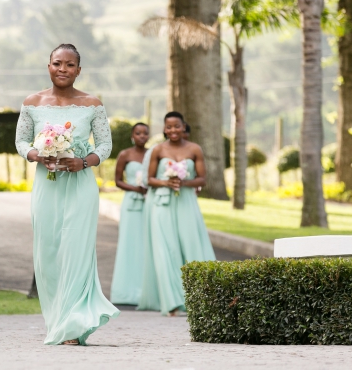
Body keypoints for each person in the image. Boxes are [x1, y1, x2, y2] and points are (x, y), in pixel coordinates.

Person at [15, 43, 119, 345]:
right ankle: (57, 322)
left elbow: (105, 146)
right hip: (47, 185)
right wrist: (36, 154)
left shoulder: (93, 104)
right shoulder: (32, 102)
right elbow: (21, 141)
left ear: (79, 70)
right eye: (58, 63)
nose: (63, 69)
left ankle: (73, 326)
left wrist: (83, 162)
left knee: (77, 251)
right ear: (48, 66)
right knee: (47, 253)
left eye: (70, 65)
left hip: (80, 186)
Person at [137, 111, 215, 316]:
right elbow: (149, 179)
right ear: (164, 129)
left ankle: (199, 299)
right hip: (162, 203)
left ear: (183, 127)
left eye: (177, 126)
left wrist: (184, 182)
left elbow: (202, 179)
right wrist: (166, 182)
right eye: (169, 127)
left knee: (191, 245)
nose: (173, 130)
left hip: (186, 201)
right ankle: (171, 302)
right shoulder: (157, 150)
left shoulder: (194, 149)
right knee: (166, 249)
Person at [110, 123, 149, 305]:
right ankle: (125, 292)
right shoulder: (125, 154)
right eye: (138, 133)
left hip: (149, 202)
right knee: (129, 242)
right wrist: (135, 188)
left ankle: (146, 291)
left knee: (146, 244)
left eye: (145, 133)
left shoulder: (153, 154)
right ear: (132, 135)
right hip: (131, 202)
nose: (142, 136)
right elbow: (117, 181)